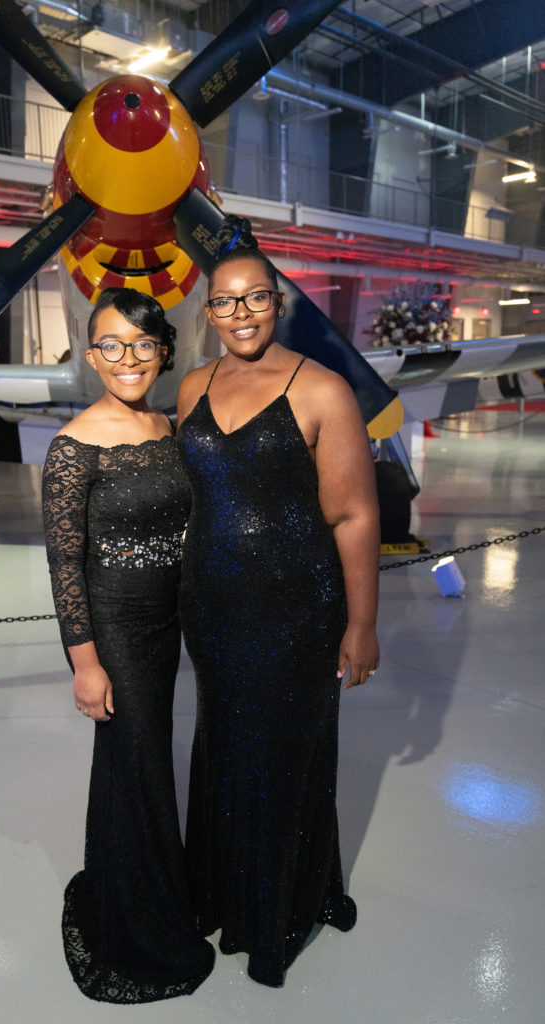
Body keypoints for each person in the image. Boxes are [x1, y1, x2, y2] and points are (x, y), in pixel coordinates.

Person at [176, 215, 380, 988]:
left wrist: (361, 625)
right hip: (213, 610)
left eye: (255, 298)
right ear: (208, 314)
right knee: (225, 748)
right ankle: (227, 890)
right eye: (225, 303)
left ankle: (282, 906)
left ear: (279, 301)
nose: (241, 314)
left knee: (285, 757)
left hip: (296, 611)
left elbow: (355, 516)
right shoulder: (193, 385)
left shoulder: (321, 388)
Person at [42, 287, 214, 1003]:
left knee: (142, 764)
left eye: (143, 344)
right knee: (135, 761)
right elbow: (64, 566)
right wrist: (85, 663)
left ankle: (150, 887)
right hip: (113, 625)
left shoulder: (166, 426)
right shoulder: (73, 447)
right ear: (91, 356)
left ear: (164, 351)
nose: (128, 359)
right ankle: (135, 928)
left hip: (167, 623)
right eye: (111, 345)